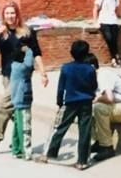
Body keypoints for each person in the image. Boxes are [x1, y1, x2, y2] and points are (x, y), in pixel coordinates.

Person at [0, 1, 48, 151]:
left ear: (17, 14)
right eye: (7, 13)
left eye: (12, 13)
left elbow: (37, 53)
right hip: (7, 74)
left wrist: (42, 73)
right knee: (15, 108)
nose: (10, 16)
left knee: (5, 105)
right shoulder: (2, 32)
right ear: (3, 16)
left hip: (21, 75)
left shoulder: (26, 32)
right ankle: (19, 139)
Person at [39, 40, 97, 170]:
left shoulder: (66, 68)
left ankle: (51, 153)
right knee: (85, 131)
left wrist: (60, 101)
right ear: (87, 53)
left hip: (70, 102)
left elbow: (61, 87)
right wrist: (91, 96)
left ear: (71, 53)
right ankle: (82, 161)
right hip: (86, 102)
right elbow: (94, 86)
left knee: (62, 127)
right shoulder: (90, 69)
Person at [86, 53, 121, 161]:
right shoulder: (92, 79)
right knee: (84, 109)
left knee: (98, 108)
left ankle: (107, 147)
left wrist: (96, 99)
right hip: (115, 107)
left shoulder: (103, 75)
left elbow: (109, 98)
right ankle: (99, 141)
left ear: (91, 67)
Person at [9, 44, 34, 159]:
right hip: (22, 100)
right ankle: (26, 151)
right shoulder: (21, 68)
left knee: (17, 126)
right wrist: (29, 50)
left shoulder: (14, 66)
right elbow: (29, 64)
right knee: (25, 127)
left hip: (17, 100)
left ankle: (16, 149)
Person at [93, 0, 121, 67]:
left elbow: (116, 9)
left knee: (114, 40)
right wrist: (95, 21)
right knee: (109, 39)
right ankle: (115, 57)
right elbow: (95, 9)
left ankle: (115, 58)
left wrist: (118, 17)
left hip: (113, 21)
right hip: (104, 21)